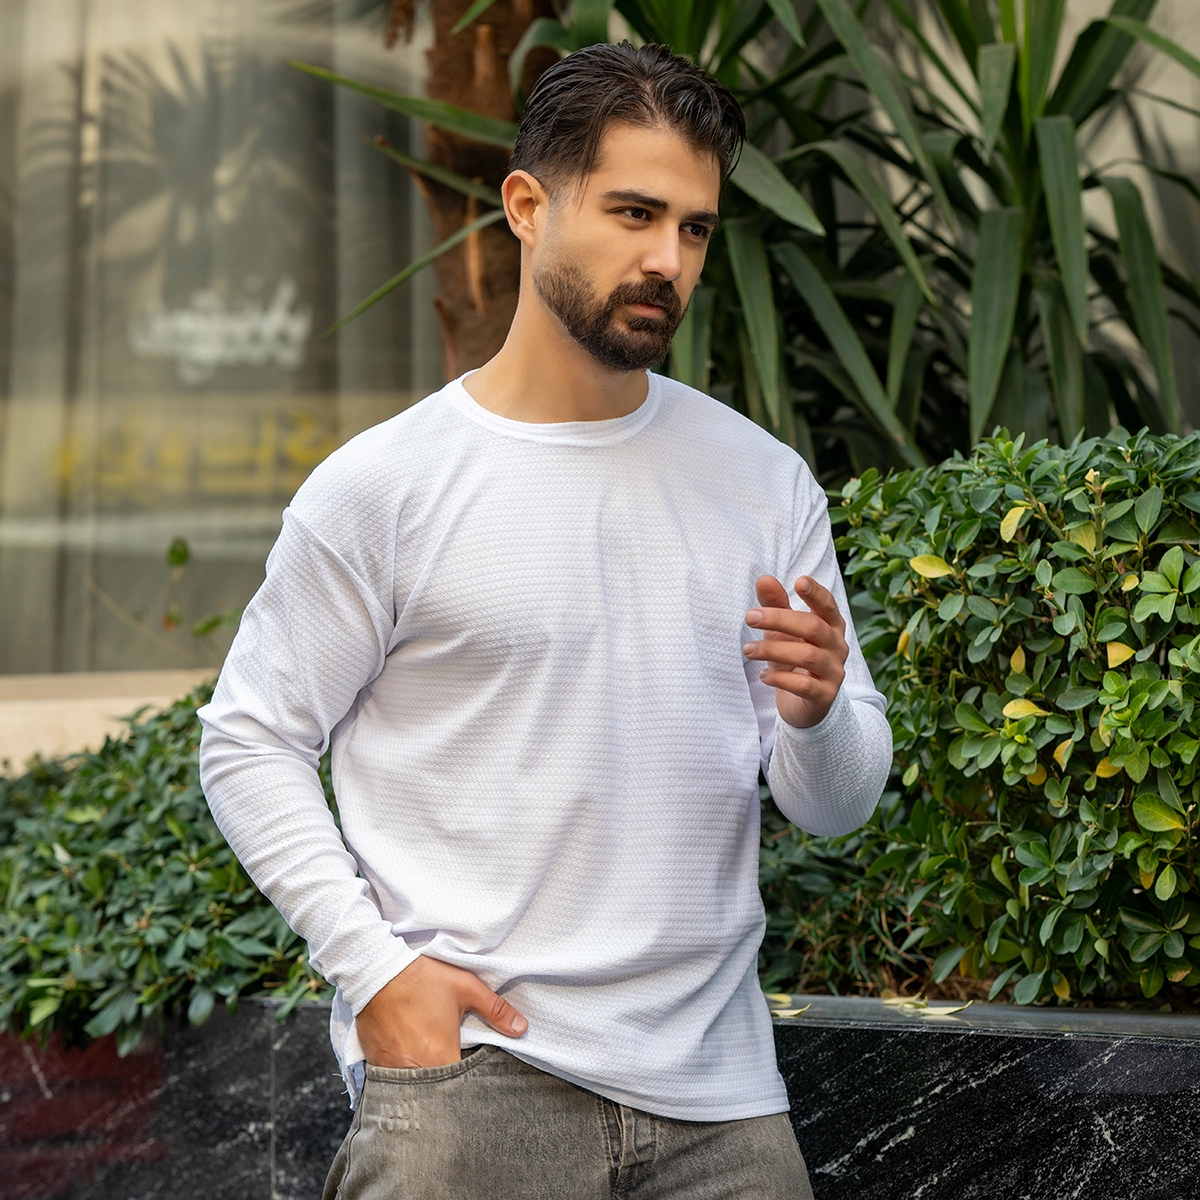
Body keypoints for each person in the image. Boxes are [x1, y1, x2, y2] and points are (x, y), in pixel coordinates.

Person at [198, 40, 891, 1200]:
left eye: (695, 228)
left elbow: (835, 806)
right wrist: (374, 974)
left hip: (723, 1107)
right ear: (526, 206)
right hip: (472, 1085)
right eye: (633, 212)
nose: (666, 259)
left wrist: (819, 715)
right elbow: (248, 738)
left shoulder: (765, 485)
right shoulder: (385, 487)